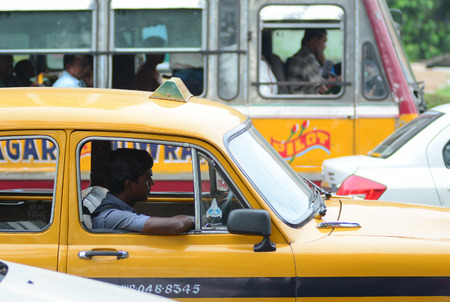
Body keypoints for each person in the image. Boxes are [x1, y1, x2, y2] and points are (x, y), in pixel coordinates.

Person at [92, 148, 195, 234]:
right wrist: (197, 220)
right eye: (147, 179)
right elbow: (177, 225)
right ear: (129, 186)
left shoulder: (120, 208)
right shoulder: (111, 216)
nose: (152, 183)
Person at [286, 29, 337, 94]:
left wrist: (322, 61)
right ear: (314, 42)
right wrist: (342, 78)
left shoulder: (303, 56)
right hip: (304, 101)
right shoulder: (306, 58)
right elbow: (324, 85)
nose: (325, 46)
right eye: (323, 42)